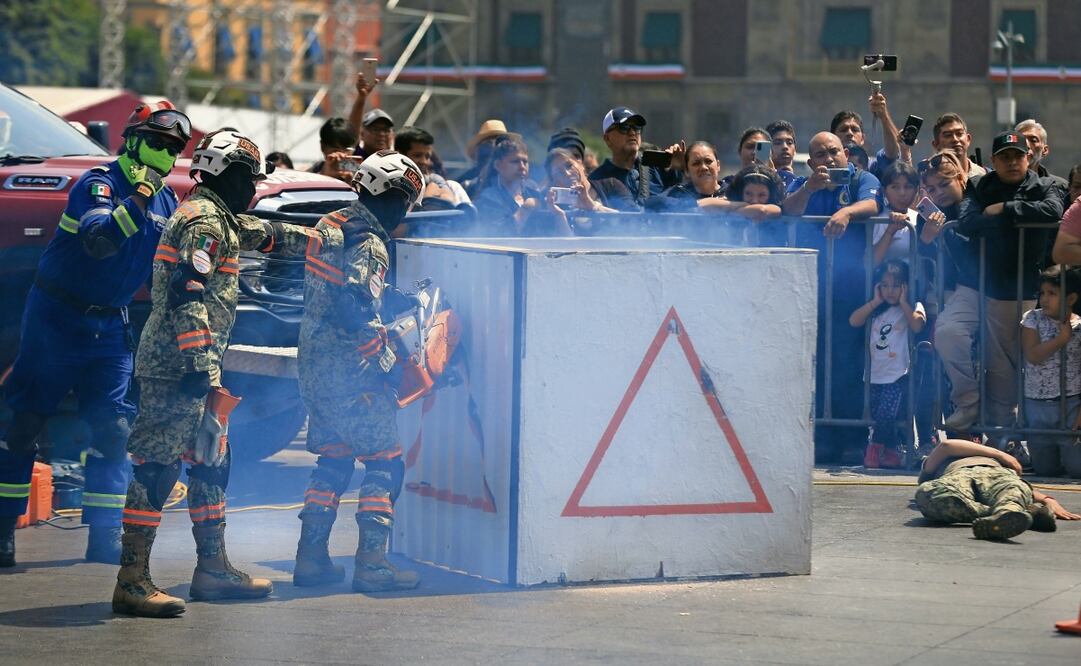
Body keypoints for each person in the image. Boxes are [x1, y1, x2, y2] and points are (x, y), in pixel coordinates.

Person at [112, 129, 331, 617]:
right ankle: (132, 580)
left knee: (210, 463)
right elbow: (188, 294)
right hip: (179, 368)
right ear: (229, 175)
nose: (253, 188)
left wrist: (322, 237)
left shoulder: (217, 216)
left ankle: (212, 569)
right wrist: (197, 365)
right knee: (158, 466)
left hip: (197, 366)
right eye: (249, 178)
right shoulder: (204, 223)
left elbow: (263, 233)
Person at [0, 101, 191, 568]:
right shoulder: (98, 183)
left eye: (174, 148)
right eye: (158, 142)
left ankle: (103, 537)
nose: (165, 153)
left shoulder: (168, 200)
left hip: (110, 325)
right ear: (134, 139)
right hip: (58, 319)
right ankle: (2, 532)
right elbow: (100, 241)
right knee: (25, 425)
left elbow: (168, 267)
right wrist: (139, 198)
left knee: (114, 429)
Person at [292, 150, 426, 592]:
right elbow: (353, 304)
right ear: (391, 196)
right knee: (385, 463)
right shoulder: (370, 241)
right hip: (353, 373)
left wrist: (388, 293)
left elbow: (337, 288)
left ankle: (310, 560)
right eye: (405, 201)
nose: (404, 212)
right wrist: (388, 364)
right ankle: (373, 565)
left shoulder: (332, 223)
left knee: (333, 460)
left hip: (315, 367)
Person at [944, 132, 1066, 435]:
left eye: (1018, 156)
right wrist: (1012, 215)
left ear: (1029, 158)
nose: (1013, 162)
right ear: (993, 161)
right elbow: (969, 220)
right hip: (983, 285)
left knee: (1017, 366)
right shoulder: (980, 185)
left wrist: (1005, 209)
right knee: (961, 340)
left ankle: (1014, 435)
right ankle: (983, 416)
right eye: (1005, 157)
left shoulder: (1044, 185)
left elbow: (1053, 211)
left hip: (1023, 289)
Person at [783, 131, 882, 463]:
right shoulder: (804, 184)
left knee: (849, 363)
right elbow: (788, 211)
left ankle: (852, 437)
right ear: (811, 162)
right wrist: (811, 188)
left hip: (852, 287)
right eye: (821, 155)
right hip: (813, 287)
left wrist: (847, 213)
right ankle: (823, 438)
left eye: (834, 151)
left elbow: (873, 203)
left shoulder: (860, 178)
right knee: (819, 363)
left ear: (846, 152)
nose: (829, 159)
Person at [915, 437, 1080, 541]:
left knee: (1013, 489)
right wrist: (1000, 455)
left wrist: (1047, 499)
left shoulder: (996, 458)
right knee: (927, 494)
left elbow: (1018, 487)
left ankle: (1009, 513)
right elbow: (946, 445)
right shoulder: (938, 460)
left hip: (998, 474)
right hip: (960, 476)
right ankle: (1017, 514)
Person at [848, 259, 926, 468]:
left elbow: (918, 325)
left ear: (906, 285)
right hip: (875, 373)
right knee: (879, 415)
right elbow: (854, 321)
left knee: (887, 413)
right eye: (885, 285)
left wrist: (903, 302)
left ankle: (874, 451)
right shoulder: (876, 309)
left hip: (899, 373)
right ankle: (889, 452)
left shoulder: (911, 306)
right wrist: (875, 301)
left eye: (896, 285)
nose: (890, 290)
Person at [1020, 266, 1081, 478]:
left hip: (1071, 404)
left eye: (1052, 293)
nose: (1044, 299)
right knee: (1045, 469)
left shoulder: (1080, 326)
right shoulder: (1032, 319)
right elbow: (1033, 355)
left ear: (1071, 298)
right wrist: (1061, 340)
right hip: (1037, 405)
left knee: (1076, 469)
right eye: (1042, 293)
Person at [588, 106, 684, 210]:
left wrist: (680, 170)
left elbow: (683, 201)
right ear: (607, 138)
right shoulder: (596, 179)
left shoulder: (658, 166)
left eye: (637, 127)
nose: (632, 133)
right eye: (624, 128)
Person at [473, 134, 550, 236]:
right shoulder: (488, 199)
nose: (522, 167)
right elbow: (499, 235)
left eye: (525, 162)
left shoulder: (535, 194)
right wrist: (526, 208)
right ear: (498, 165)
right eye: (515, 161)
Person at [540, 147, 620, 235]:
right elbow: (567, 247)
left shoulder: (611, 185)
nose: (567, 173)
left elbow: (631, 220)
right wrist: (560, 216)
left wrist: (592, 206)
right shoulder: (555, 207)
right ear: (554, 181)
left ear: (580, 163)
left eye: (569, 165)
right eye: (559, 172)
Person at [394, 126, 471, 210]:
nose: (424, 162)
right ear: (400, 155)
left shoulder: (451, 187)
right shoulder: (386, 189)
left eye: (427, 157)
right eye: (417, 155)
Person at [872, 161, 919, 267]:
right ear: (884, 191)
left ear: (916, 190)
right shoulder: (880, 220)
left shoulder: (918, 217)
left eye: (908, 187)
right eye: (895, 187)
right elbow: (871, 262)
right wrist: (890, 231)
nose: (902, 193)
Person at [459, 119, 508, 197]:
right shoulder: (466, 184)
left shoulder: (520, 181)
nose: (493, 145)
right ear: (478, 150)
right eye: (488, 142)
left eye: (499, 141)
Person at [930, 113, 985, 180]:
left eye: (959, 133)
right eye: (948, 135)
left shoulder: (985, 177)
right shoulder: (931, 180)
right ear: (936, 144)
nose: (955, 139)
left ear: (968, 139)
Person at [309, 117, 358, 183]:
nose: (341, 156)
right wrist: (324, 177)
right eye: (335, 150)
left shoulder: (361, 175)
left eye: (346, 150)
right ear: (323, 147)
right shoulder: (309, 175)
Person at [766, 120, 798, 189]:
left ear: (795, 150)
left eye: (789, 143)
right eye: (777, 143)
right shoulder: (759, 182)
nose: (785, 147)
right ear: (767, 148)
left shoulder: (804, 185)